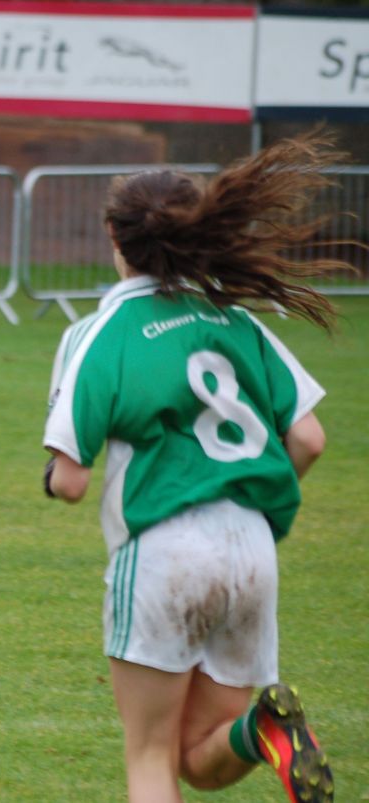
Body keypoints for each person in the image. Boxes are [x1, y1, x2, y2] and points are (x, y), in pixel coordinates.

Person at [41, 135, 346, 802]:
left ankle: (261, 724)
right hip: (250, 550)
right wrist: (257, 503)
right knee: (200, 757)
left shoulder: (101, 330)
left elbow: (69, 481)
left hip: (164, 551)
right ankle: (266, 726)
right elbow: (312, 437)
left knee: (149, 756)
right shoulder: (234, 317)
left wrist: (52, 475)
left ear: (115, 239)